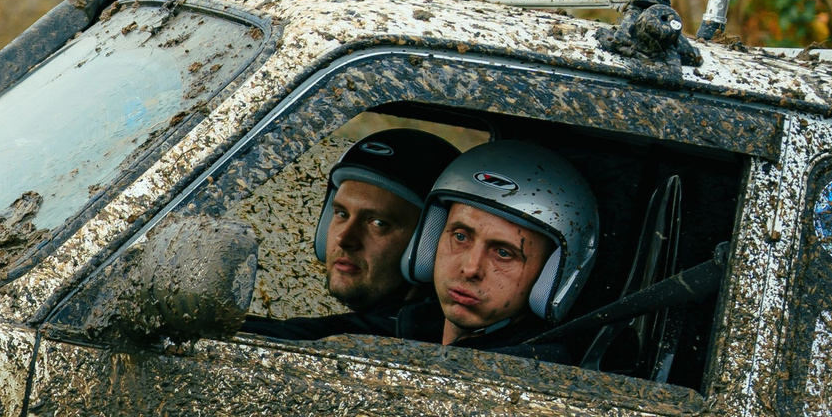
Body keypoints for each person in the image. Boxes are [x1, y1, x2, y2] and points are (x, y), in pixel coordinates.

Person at [242, 129, 457, 341]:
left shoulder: (404, 339)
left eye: (378, 223)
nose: (344, 240)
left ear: (431, 241)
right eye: (341, 214)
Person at [395, 139, 602, 360]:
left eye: (503, 253)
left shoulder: (535, 377)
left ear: (549, 277)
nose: (470, 268)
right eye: (461, 237)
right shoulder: (390, 330)